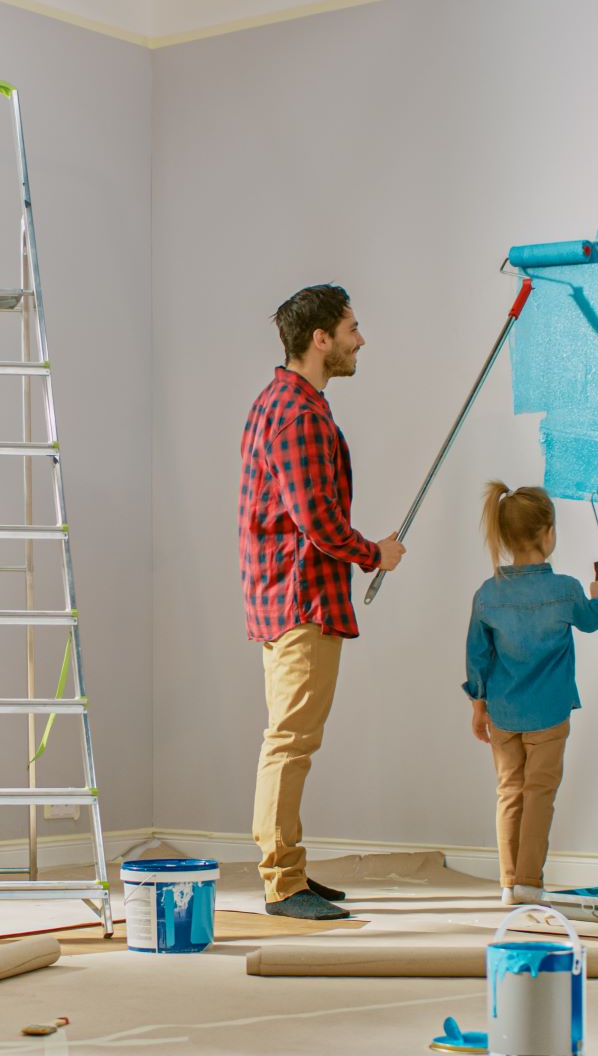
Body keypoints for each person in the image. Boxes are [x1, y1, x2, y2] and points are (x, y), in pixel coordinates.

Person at [238, 283, 404, 920]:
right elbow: (318, 521)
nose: (361, 340)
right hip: (301, 598)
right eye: (353, 328)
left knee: (290, 738)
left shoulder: (274, 401)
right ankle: (282, 882)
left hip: (286, 596)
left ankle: (291, 870)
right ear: (321, 339)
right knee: (290, 741)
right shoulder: (302, 414)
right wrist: (374, 553)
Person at [463, 482, 598, 904]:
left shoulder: (488, 594)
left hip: (503, 713)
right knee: (539, 794)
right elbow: (590, 621)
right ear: (548, 534)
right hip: (549, 713)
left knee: (509, 793)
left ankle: (509, 884)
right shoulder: (565, 589)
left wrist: (479, 706)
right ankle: (530, 881)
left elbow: (477, 656)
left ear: (506, 537)